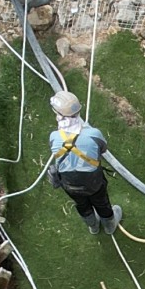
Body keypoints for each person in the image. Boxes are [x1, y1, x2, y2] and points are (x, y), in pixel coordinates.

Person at [47, 90, 121, 235]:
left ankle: (93, 227)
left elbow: (56, 150)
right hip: (93, 182)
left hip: (69, 184)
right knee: (102, 203)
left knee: (81, 204)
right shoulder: (94, 134)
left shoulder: (54, 137)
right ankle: (109, 226)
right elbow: (103, 149)